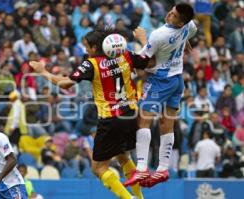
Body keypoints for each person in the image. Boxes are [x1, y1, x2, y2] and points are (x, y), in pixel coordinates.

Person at [30, 28, 150, 199]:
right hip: (131, 115)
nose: (85, 50)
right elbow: (147, 61)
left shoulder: (91, 64)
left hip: (111, 119)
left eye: (87, 47)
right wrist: (144, 40)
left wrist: (42, 72)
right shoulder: (125, 54)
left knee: (98, 168)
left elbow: (65, 84)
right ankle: (140, 197)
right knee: (123, 157)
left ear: (95, 47)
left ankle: (129, 198)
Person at [124, 3, 197, 188]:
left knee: (143, 119)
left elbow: (142, 61)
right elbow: (189, 34)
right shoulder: (190, 25)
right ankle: (163, 169)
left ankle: (141, 167)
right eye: (171, 11)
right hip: (178, 79)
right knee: (167, 123)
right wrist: (185, 43)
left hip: (161, 80)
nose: (168, 15)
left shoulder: (158, 35)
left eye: (173, 16)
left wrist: (142, 39)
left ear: (181, 23)